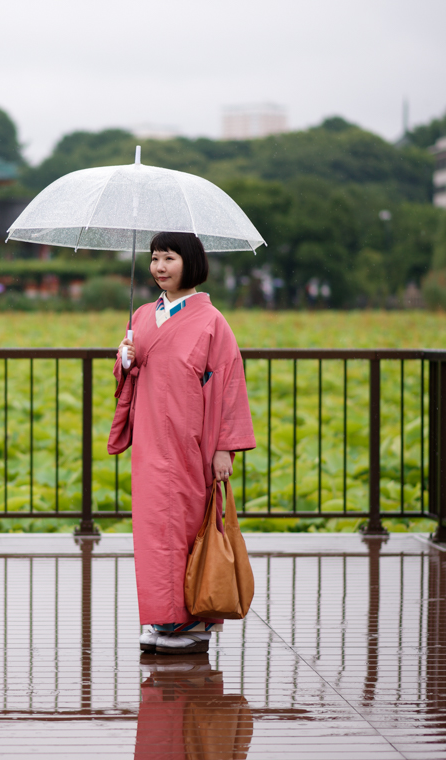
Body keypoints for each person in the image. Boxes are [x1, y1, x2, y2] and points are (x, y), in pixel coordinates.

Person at [109, 231, 256, 656]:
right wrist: (125, 363)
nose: (159, 267)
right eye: (154, 258)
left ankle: (192, 621)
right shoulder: (140, 316)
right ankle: (161, 617)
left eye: (169, 258)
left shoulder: (212, 321)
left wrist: (223, 447)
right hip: (153, 440)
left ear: (190, 262)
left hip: (193, 440)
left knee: (187, 529)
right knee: (154, 529)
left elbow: (229, 384)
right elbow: (129, 381)